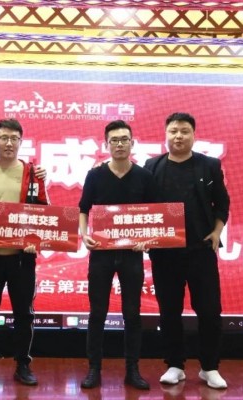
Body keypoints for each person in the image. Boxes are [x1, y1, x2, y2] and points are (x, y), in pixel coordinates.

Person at [144, 112, 230, 390]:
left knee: (209, 311)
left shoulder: (209, 165)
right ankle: (175, 365)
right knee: (169, 311)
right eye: (173, 131)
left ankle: (209, 367)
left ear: (193, 135)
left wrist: (216, 232)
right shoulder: (152, 166)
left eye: (184, 131)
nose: (178, 136)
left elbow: (222, 204)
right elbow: (143, 206)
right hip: (165, 253)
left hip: (201, 250)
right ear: (166, 134)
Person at [78, 120, 157, 390]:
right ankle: (94, 369)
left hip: (131, 255)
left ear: (132, 143)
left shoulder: (144, 176)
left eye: (124, 139)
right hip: (101, 253)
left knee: (132, 313)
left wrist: (147, 240)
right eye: (114, 140)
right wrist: (84, 235)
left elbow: (154, 214)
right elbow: (83, 209)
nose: (120, 144)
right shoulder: (95, 175)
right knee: (97, 312)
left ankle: (132, 369)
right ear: (106, 144)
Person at [0, 118, 49, 387]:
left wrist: (35, 239)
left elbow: (44, 213)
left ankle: (23, 364)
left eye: (14, 138)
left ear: (21, 142)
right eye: (4, 138)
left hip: (22, 259)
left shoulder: (33, 174)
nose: (9, 143)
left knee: (24, 313)